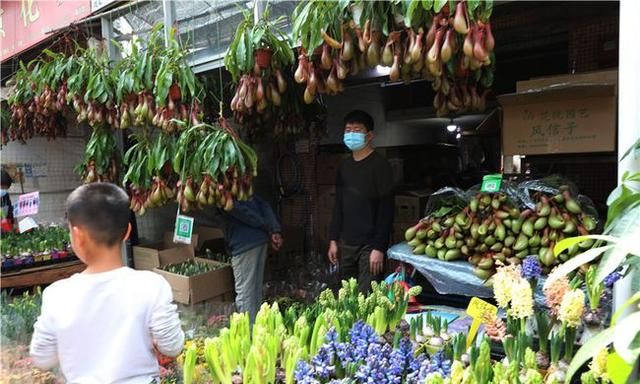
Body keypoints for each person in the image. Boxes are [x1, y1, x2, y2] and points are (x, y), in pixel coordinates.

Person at [30, 183, 184, 383]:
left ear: (78, 236)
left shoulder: (57, 295)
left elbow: (42, 358)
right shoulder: (151, 286)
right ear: (128, 232)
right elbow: (172, 347)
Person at [328, 110, 395, 294]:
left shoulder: (380, 166)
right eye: (347, 130)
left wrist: (379, 247)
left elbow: (386, 209)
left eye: (356, 130)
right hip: (347, 244)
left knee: (368, 299)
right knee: (347, 297)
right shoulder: (344, 167)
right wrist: (333, 239)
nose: (350, 134)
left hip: (370, 246)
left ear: (369, 135)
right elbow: (338, 205)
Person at [218, 195, 283, 323]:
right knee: (254, 292)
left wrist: (265, 226)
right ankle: (258, 332)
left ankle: (248, 335)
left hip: (244, 243)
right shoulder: (243, 185)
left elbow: (239, 210)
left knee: (246, 295)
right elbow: (262, 203)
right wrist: (272, 228)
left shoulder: (226, 188)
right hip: (258, 240)